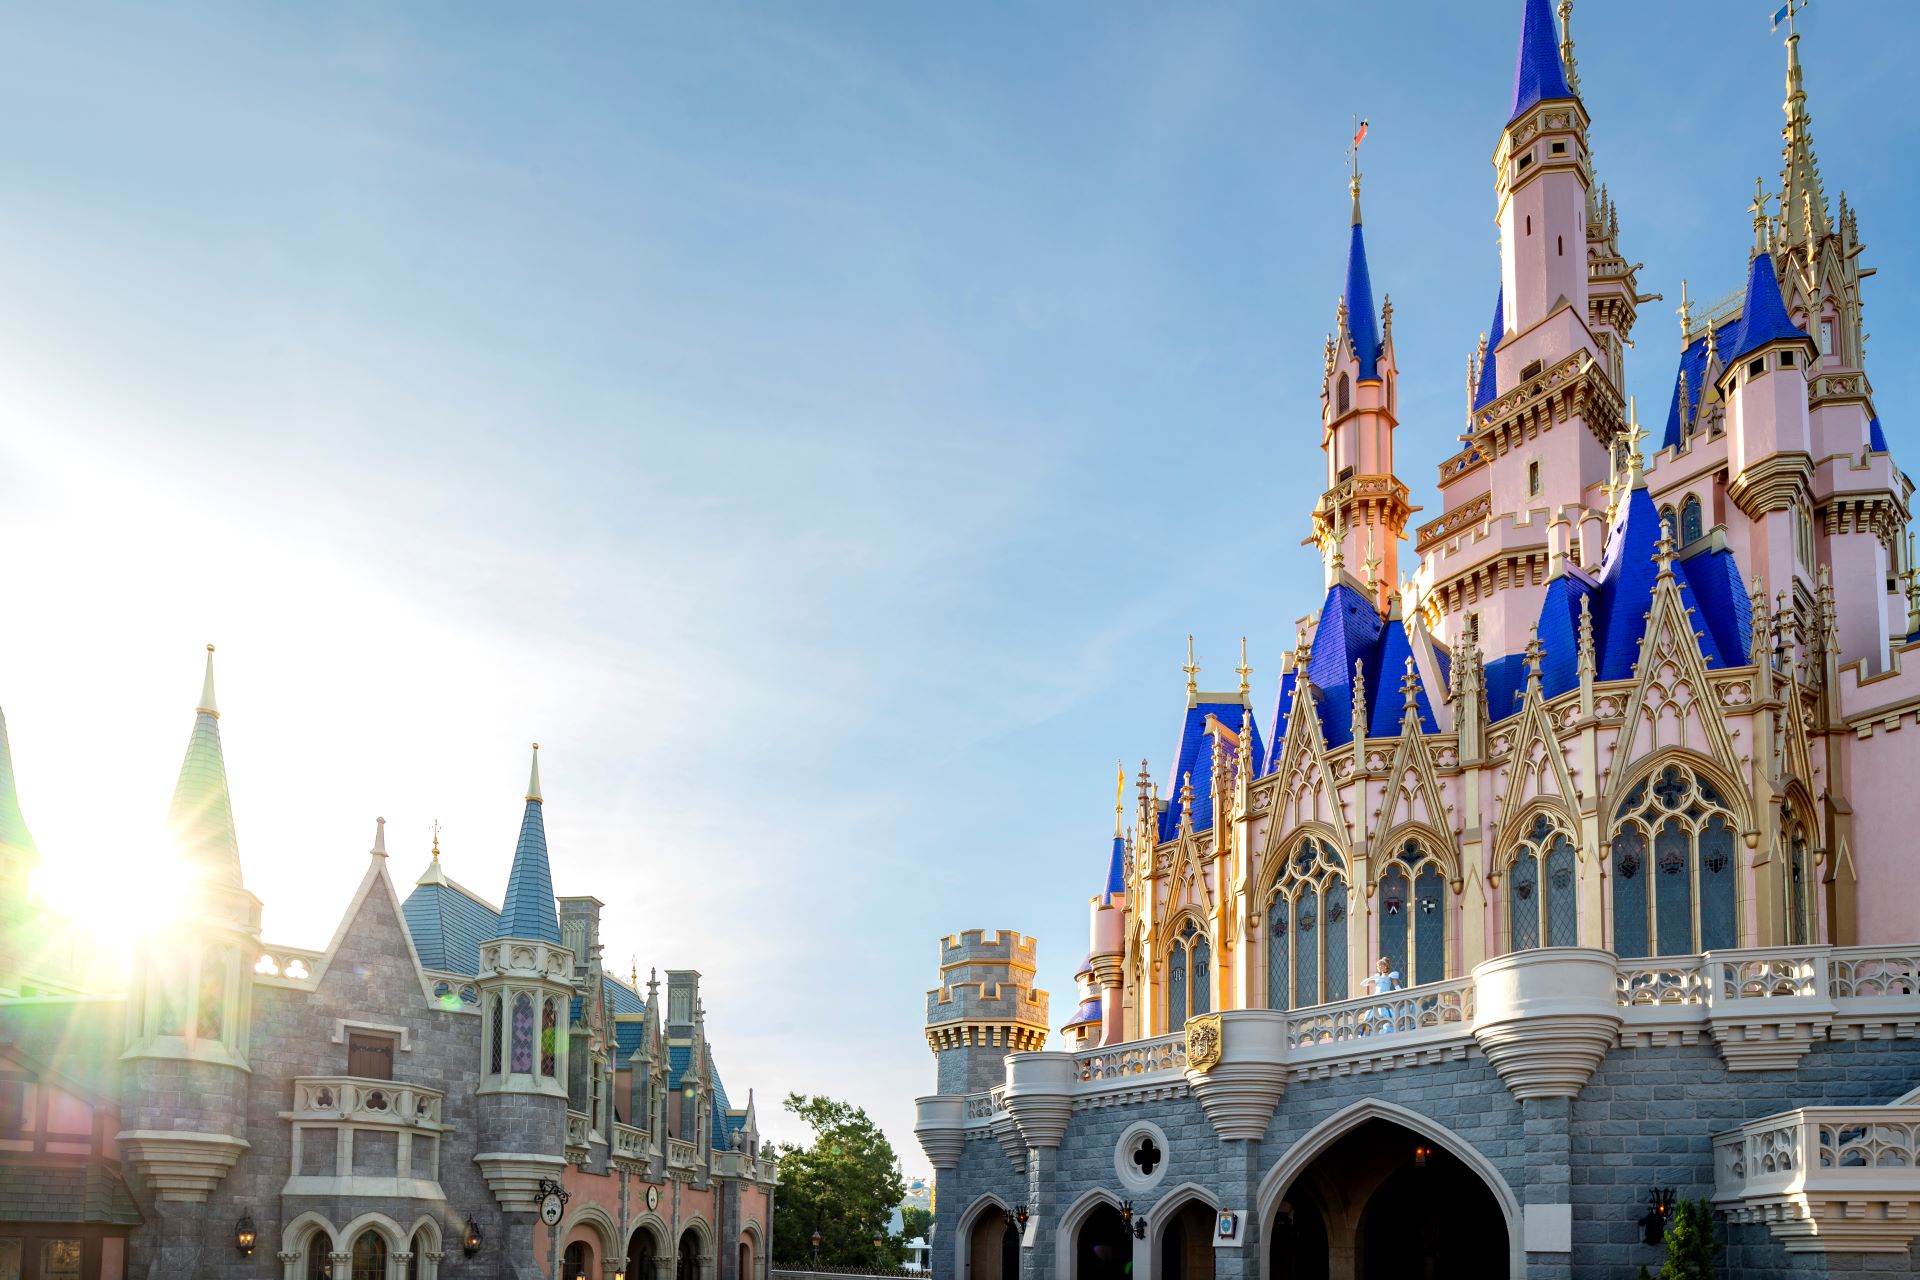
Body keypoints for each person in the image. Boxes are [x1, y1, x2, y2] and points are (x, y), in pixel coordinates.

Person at [1360, 956, 1402, 1034]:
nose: (1378, 967)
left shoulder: (1391, 976)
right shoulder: (1377, 977)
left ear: (1385, 966)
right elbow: (1363, 983)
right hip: (1376, 998)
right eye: (1377, 965)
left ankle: (1388, 1031)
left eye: (1380, 965)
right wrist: (1373, 978)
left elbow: (1397, 987)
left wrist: (1402, 995)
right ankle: (1365, 1034)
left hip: (1385, 997)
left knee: (1385, 1015)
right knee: (1368, 1016)